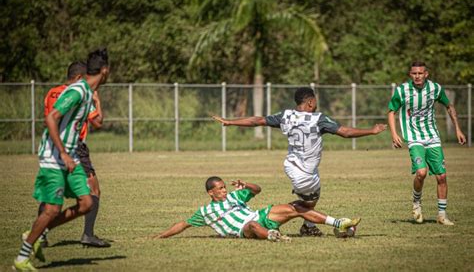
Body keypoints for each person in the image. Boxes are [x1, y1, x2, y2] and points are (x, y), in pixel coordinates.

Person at [212, 87, 386, 237]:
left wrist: (230, 122)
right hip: (305, 173)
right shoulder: (318, 119)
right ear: (310, 102)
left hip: (292, 165)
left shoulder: (285, 116)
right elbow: (346, 132)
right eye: (315, 101)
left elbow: (258, 120)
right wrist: (371, 130)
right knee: (302, 207)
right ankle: (336, 223)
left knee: (309, 200)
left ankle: (309, 227)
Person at [13, 48, 110, 271]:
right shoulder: (76, 91)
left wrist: (96, 101)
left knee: (86, 203)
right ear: (104, 71)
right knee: (52, 210)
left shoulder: (87, 92)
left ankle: (38, 233)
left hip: (72, 155)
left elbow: (98, 122)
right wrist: (64, 153)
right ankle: (22, 257)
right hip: (55, 158)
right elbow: (51, 117)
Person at [36, 61, 110, 248]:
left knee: (50, 196)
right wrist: (97, 103)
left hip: (51, 146)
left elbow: (50, 117)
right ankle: (88, 234)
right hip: (74, 146)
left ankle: (40, 236)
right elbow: (97, 122)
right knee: (93, 191)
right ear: (79, 78)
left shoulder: (51, 93)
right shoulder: (81, 93)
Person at [154, 176, 361, 241]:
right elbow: (183, 224)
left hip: (260, 215)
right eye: (220, 189)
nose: (224, 190)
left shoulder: (235, 195)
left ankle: (338, 223)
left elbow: (258, 189)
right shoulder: (205, 212)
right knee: (252, 225)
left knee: (296, 206)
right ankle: (273, 236)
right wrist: (159, 237)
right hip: (246, 228)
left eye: (224, 187)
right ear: (211, 193)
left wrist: (247, 185)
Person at [387, 61, 466, 226]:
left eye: (420, 73)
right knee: (421, 173)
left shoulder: (435, 89)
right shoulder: (402, 91)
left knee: (442, 176)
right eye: (414, 73)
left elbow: (449, 106)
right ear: (410, 74)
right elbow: (391, 111)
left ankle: (442, 215)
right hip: (414, 138)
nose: (417, 76)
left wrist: (458, 129)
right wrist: (394, 134)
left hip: (433, 137)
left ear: (426, 74)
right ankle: (416, 203)